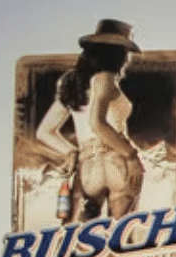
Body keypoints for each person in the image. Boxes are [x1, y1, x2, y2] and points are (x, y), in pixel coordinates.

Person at [34, 19, 143, 223]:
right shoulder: (105, 79)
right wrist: (130, 156)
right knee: (120, 235)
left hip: (87, 169)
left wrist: (70, 152)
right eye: (126, 53)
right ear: (118, 54)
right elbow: (97, 123)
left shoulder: (72, 83)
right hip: (117, 161)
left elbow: (44, 132)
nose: (128, 59)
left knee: (80, 235)